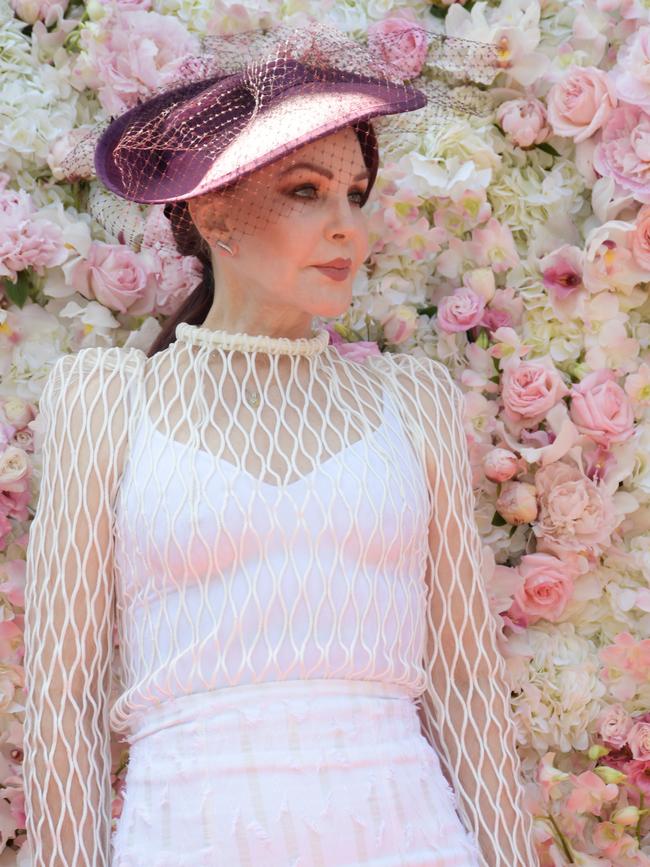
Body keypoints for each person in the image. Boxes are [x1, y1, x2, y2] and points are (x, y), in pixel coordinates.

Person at [22, 22, 539, 867]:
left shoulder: (411, 401)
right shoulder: (107, 398)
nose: (348, 228)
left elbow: (465, 685)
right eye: (307, 191)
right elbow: (66, 702)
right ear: (213, 210)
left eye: (356, 195)